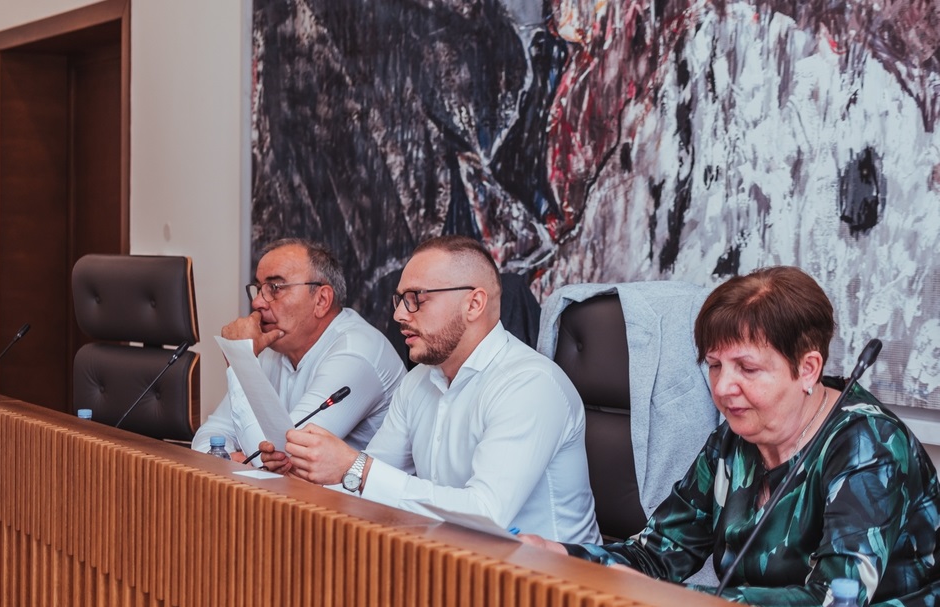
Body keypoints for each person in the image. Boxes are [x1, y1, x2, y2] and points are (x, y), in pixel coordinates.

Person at [520, 266, 940, 605]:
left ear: (807, 369)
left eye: (747, 368)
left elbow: (833, 598)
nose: (722, 387)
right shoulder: (734, 440)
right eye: (715, 365)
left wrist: (679, 600)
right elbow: (657, 555)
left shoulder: (870, 446)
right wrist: (566, 558)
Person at [259, 235, 600, 544]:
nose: (399, 315)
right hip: (453, 559)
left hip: (555, 577)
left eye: (416, 299)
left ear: (473, 304)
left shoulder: (530, 384)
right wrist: (307, 469)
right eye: (399, 299)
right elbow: (371, 483)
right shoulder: (418, 381)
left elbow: (485, 514)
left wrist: (356, 468)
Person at [191, 238, 406, 461]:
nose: (257, 303)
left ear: (321, 300)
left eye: (275, 288)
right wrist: (236, 460)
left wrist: (240, 358)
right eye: (259, 289)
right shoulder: (272, 348)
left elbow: (285, 457)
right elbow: (211, 435)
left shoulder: (356, 351)